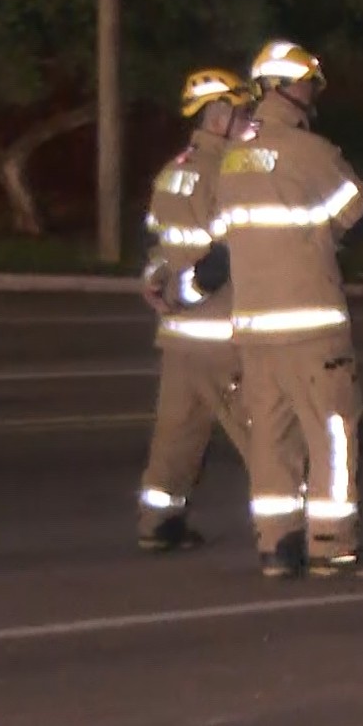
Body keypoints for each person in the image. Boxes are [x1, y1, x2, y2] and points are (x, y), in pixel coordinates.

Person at [213, 39, 363, 579]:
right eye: (309, 82)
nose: (313, 92)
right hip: (312, 329)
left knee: (271, 441)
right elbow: (356, 219)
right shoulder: (312, 154)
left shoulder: (233, 160)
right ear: (287, 88)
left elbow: (224, 240)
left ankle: (277, 544)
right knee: (333, 433)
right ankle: (332, 543)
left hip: (254, 332)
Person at [134, 69, 257, 552]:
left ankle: (158, 523)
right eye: (243, 112)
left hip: (178, 336)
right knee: (265, 435)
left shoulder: (173, 170)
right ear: (220, 115)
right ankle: (304, 532)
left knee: (177, 434)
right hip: (220, 333)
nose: (250, 122)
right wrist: (188, 287)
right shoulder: (229, 173)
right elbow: (233, 252)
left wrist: (157, 282)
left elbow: (158, 241)